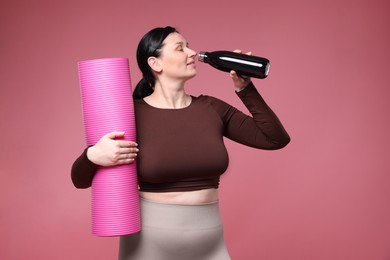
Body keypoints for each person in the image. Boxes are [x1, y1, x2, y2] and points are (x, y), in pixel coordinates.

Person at [71, 26, 290, 260]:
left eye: (189, 46)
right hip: (148, 246)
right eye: (180, 48)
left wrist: (245, 88)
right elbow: (79, 180)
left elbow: (275, 138)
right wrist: (92, 155)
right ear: (155, 63)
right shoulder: (129, 115)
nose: (192, 52)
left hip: (210, 243)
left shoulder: (211, 108)